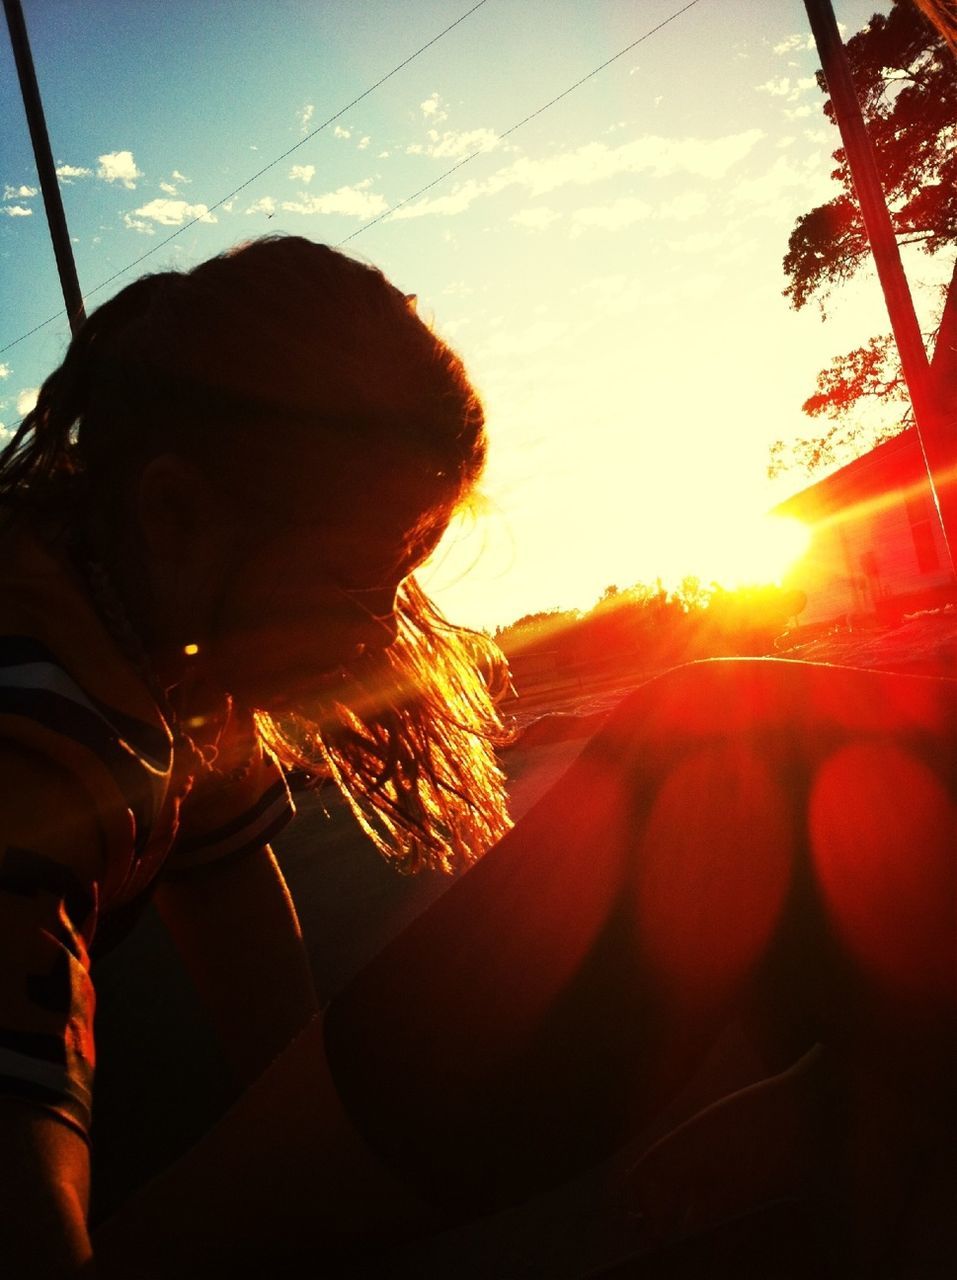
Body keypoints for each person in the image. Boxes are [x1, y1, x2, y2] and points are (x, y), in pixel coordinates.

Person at [1, 238, 953, 1279]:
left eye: (403, 581)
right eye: (358, 583)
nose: (380, 636)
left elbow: (227, 888)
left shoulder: (163, 640)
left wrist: (304, 1161)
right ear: (177, 515)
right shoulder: (40, 737)